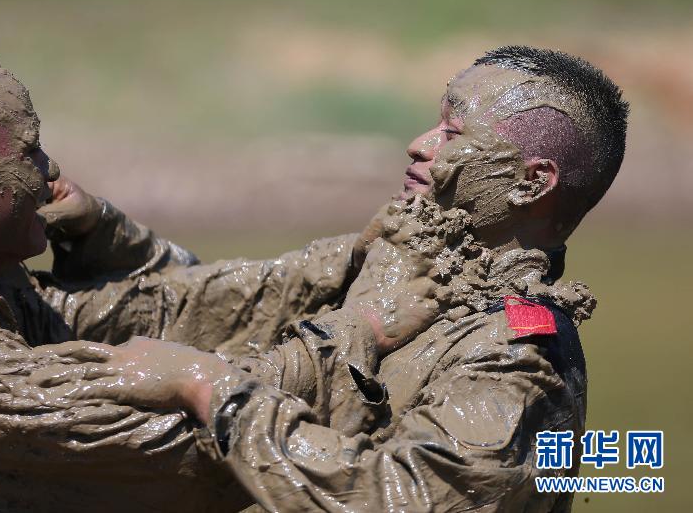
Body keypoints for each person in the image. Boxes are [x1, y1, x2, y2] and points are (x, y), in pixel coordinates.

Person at [0, 36, 405, 512]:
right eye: (28, 152)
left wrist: (346, 259)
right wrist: (355, 338)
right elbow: (174, 455)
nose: (49, 170)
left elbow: (163, 311)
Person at [78, 46, 629, 512]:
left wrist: (213, 392)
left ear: (530, 183)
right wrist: (102, 232)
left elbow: (399, 495)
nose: (420, 143)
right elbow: (230, 302)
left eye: (452, 131)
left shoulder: (517, 355)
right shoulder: (411, 268)